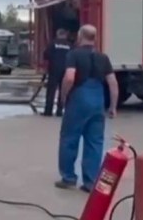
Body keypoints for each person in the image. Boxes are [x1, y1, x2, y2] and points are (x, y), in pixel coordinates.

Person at [55, 24, 119, 193]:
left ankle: (69, 178)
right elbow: (112, 83)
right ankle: (90, 182)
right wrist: (112, 106)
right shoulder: (103, 57)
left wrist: (62, 97)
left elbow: (69, 77)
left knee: (69, 139)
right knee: (95, 142)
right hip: (98, 101)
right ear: (95, 38)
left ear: (80, 36)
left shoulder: (73, 54)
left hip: (78, 101)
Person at [42, 28, 71, 117]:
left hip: (54, 69)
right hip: (66, 70)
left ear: (57, 34)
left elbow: (46, 55)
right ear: (65, 35)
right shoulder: (70, 45)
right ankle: (60, 110)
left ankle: (48, 111)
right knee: (64, 91)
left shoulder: (52, 44)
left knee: (51, 90)